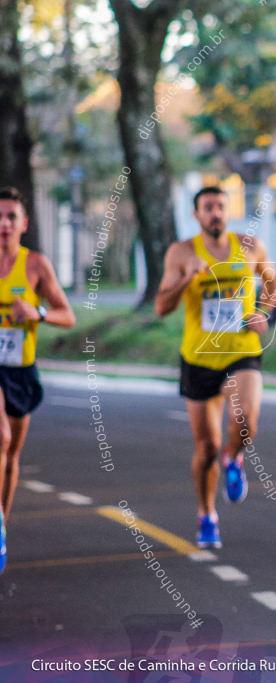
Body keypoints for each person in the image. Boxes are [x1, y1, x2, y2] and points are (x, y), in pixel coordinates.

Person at [155, 186, 276, 548]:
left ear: (228, 211)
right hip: (198, 357)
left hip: (242, 349)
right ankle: (206, 513)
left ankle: (235, 457)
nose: (215, 213)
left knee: (246, 422)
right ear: (196, 215)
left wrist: (263, 311)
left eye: (220, 207)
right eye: (207, 207)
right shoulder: (181, 252)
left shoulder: (249, 246)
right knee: (205, 448)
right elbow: (161, 307)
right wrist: (185, 278)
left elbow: (273, 281)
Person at [0, 186, 76, 574]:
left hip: (20, 368)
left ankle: (1, 525)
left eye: (11, 216)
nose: (3, 223)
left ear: (23, 224)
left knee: (11, 455)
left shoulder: (35, 266)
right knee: (2, 439)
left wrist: (38, 312)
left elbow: (68, 315)